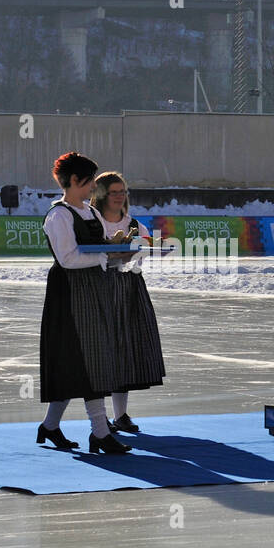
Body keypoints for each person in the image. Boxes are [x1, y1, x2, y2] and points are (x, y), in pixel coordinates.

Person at [38, 152, 133, 454]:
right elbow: (67, 259)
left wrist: (120, 253)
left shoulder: (89, 213)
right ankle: (100, 433)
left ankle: (50, 426)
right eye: (90, 180)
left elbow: (97, 250)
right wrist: (107, 255)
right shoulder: (59, 216)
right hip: (69, 295)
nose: (94, 186)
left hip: (93, 291)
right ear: (76, 181)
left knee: (82, 363)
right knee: (88, 361)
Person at [90, 171, 165, 433]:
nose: (120, 196)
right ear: (101, 195)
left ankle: (120, 415)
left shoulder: (135, 224)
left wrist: (132, 254)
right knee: (103, 351)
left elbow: (141, 255)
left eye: (123, 191)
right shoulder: (92, 222)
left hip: (129, 287)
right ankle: (101, 419)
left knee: (126, 349)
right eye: (114, 191)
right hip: (100, 287)